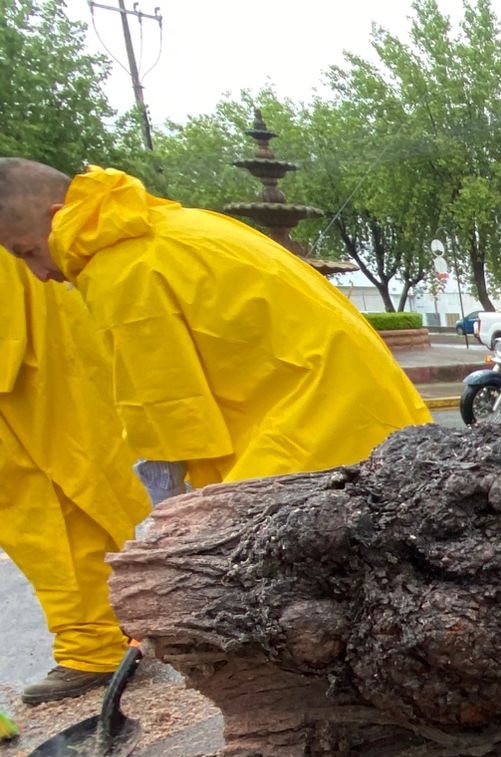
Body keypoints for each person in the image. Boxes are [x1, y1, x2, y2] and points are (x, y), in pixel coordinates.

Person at [0, 160, 430, 488]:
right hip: (366, 422)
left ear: (58, 217)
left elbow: (166, 419)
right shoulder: (177, 226)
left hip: (318, 437)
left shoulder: (121, 267)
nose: (38, 274)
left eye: (27, 253)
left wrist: (166, 536)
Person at [1, 249, 149, 704]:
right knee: (96, 482)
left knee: (51, 503)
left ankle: (99, 642)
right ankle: (138, 619)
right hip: (54, 352)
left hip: (29, 366)